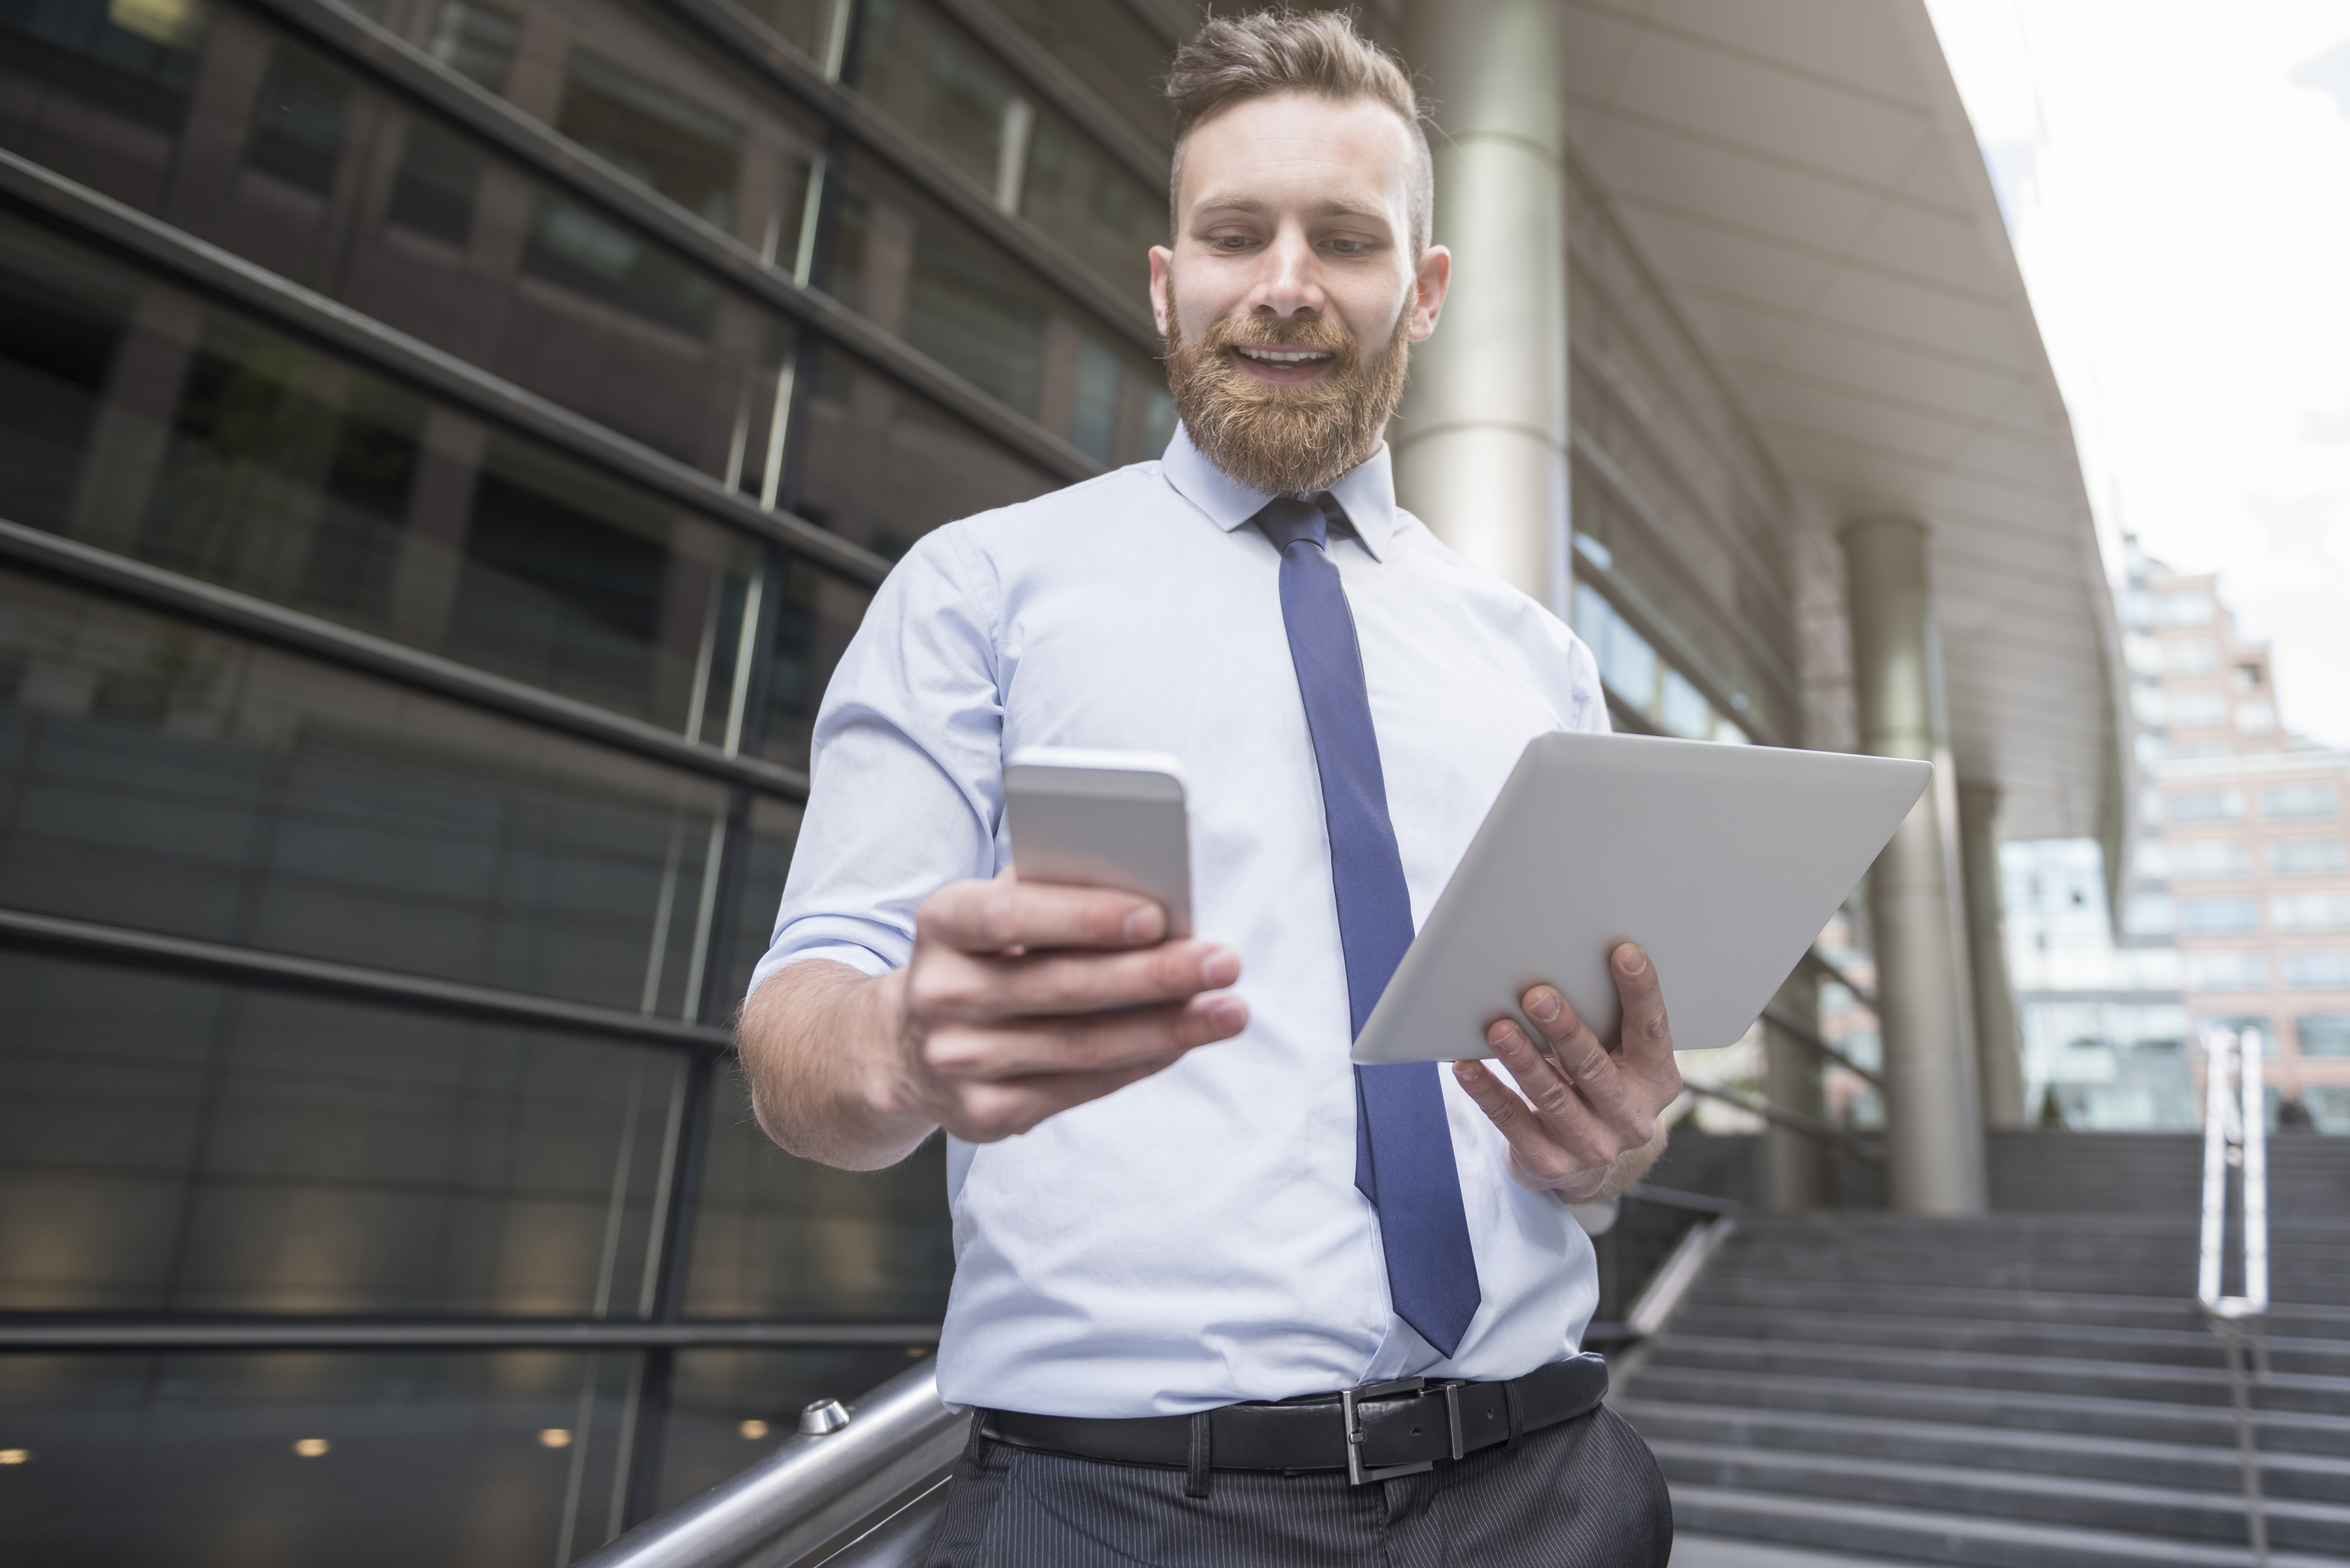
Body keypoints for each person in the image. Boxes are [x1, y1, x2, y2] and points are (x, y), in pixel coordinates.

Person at [737, 12, 1682, 1564]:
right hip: (1120, 1512)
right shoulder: (983, 587)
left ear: (1423, 292)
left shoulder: (1536, 663)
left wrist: (1618, 1145)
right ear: (1169, 278)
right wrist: (907, 1045)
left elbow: (1596, 1126)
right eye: (1236, 233)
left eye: (1348, 239)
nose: (1289, 282)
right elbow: (799, 1046)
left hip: (1549, 1487)